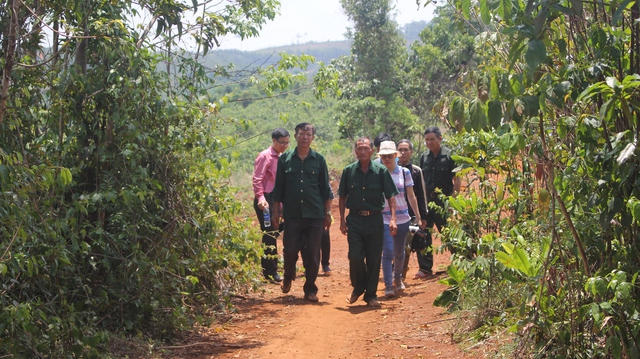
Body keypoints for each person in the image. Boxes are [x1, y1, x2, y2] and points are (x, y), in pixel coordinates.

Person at [272, 123, 332, 302]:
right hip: (292, 214)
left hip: (314, 214)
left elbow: (325, 189)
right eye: (301, 134)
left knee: (313, 253)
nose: (305, 137)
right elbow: (279, 188)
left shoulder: (319, 160)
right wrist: (276, 212)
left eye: (308, 134)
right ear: (296, 136)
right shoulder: (285, 160)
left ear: (312, 137)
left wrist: (327, 213)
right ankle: (289, 275)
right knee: (289, 249)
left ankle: (310, 289)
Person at [339, 137, 398, 307]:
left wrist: (393, 219)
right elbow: (342, 196)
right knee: (355, 256)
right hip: (355, 219)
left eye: (366, 148)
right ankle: (358, 287)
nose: (363, 151)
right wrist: (342, 219)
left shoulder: (381, 171)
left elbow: (391, 196)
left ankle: (371, 295)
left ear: (372, 151)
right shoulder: (348, 171)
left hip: (375, 219)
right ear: (355, 151)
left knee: (373, 258)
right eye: (359, 148)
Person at [378, 141, 423, 298]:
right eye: (384, 157)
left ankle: (398, 278)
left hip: (403, 217)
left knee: (399, 251)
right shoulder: (377, 173)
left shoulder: (405, 173)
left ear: (395, 156)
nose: (387, 159)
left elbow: (411, 195)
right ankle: (388, 285)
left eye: (390, 156)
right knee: (387, 252)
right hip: (383, 218)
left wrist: (417, 215)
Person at [415, 127, 461, 279]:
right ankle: (425, 268)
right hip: (427, 202)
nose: (429, 142)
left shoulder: (450, 156)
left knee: (448, 234)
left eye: (432, 139)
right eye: (427, 139)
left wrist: (452, 202)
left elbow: (457, 179)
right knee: (424, 233)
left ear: (440, 139)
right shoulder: (424, 157)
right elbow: (420, 181)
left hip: (443, 202)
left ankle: (459, 264)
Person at [252, 128, 290, 283]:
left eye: (287, 143)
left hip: (278, 199)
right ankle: (270, 271)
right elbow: (257, 179)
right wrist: (261, 198)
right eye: (282, 143)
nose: (285, 146)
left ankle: (270, 268)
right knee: (269, 233)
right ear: (274, 140)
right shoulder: (265, 156)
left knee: (275, 231)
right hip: (266, 200)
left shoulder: (283, 157)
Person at [396, 139, 429, 280]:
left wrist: (422, 216)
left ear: (411, 152)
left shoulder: (416, 171)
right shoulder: (389, 169)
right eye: (400, 149)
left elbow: (421, 194)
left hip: (410, 214)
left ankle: (400, 276)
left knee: (407, 246)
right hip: (392, 214)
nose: (403, 152)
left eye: (406, 150)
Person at [320, 190, 335, 276]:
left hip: (323, 213)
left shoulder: (323, 178)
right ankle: (309, 266)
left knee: (325, 238)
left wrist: (328, 212)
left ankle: (325, 264)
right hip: (310, 213)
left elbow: (330, 197)